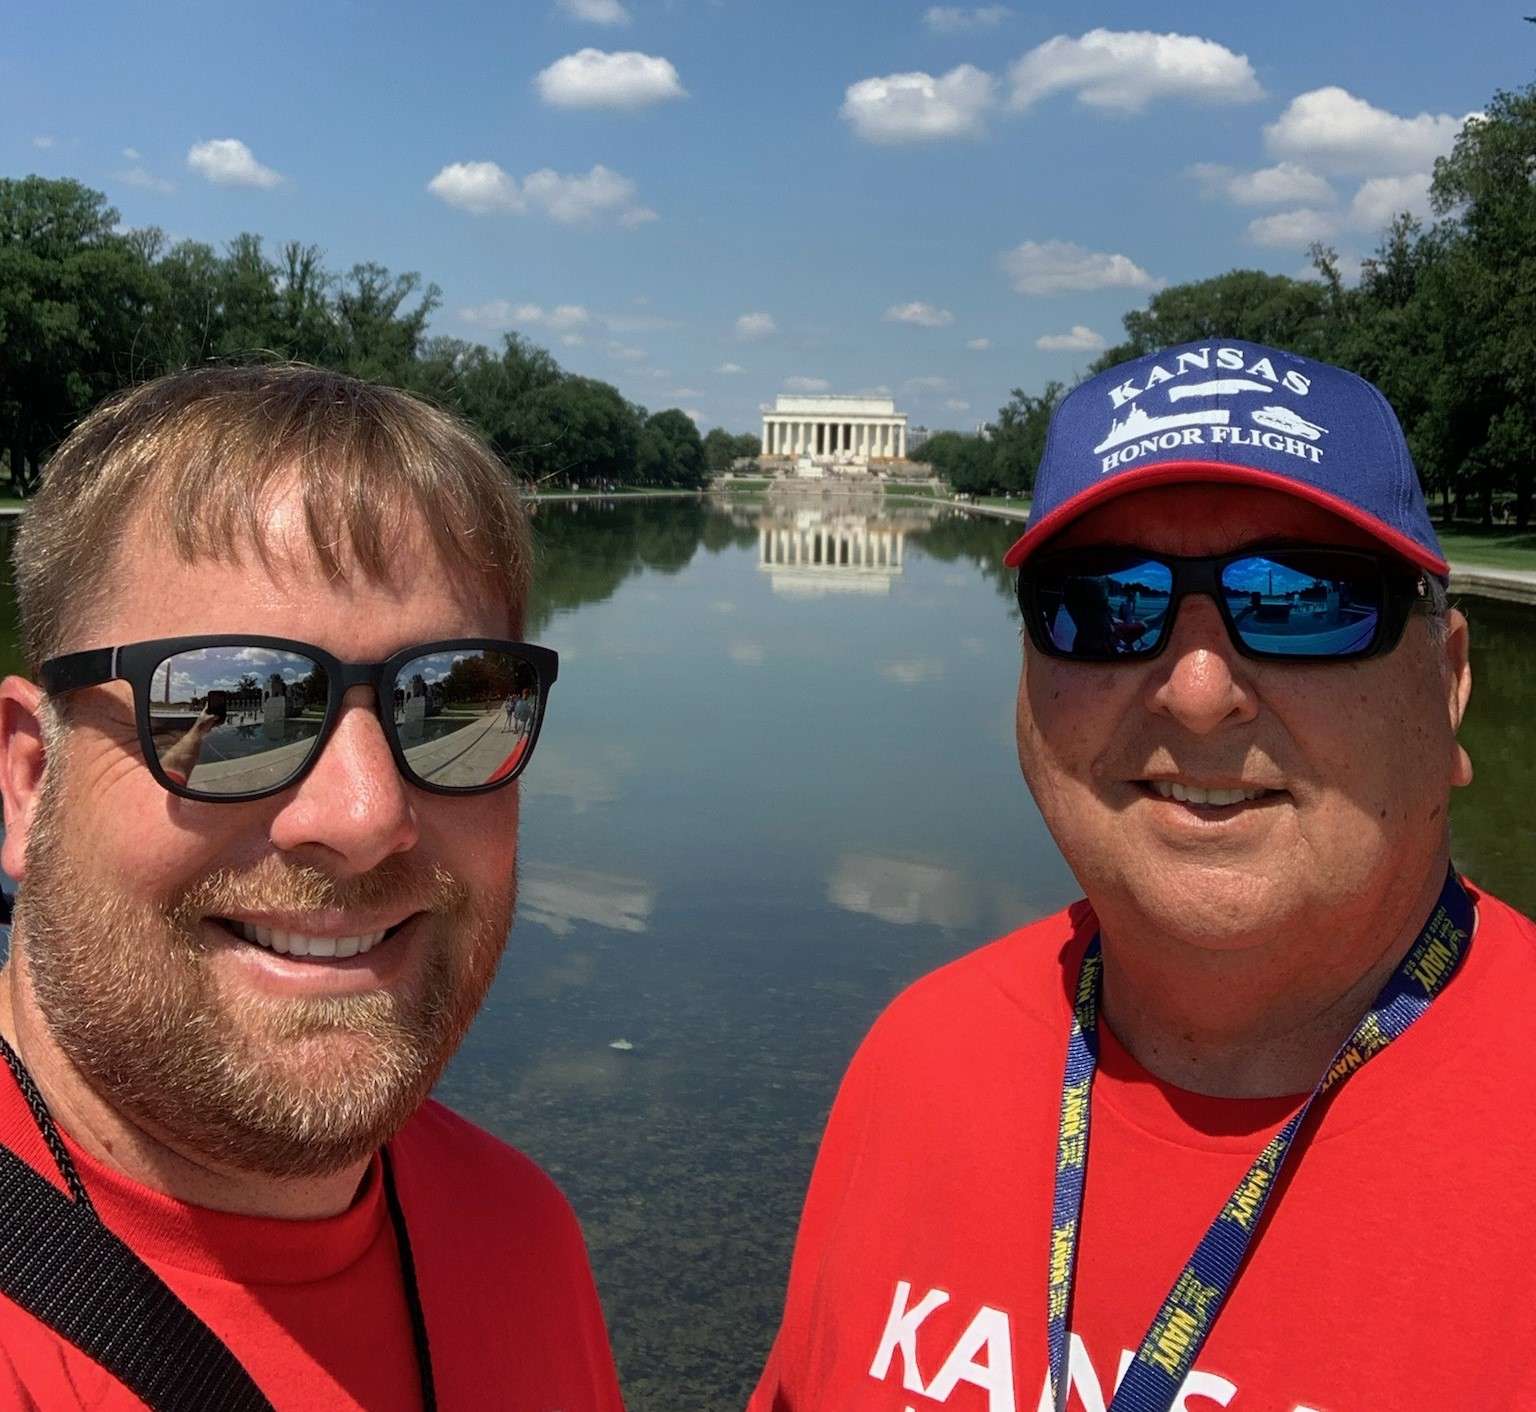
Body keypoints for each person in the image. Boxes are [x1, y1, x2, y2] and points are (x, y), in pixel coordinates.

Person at [751, 339, 1536, 1411]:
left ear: (1446, 683)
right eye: (1103, 603)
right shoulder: (914, 1063)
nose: (1198, 691)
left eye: (1303, 598)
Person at [0, 366, 623, 1410]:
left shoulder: (521, 1235)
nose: (366, 812)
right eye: (234, 702)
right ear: (27, 781)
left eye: (453, 703)